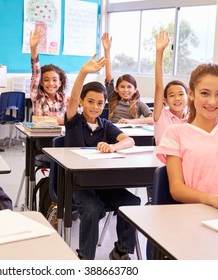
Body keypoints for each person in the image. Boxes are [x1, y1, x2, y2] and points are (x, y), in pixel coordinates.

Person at [156, 0, 218, 214]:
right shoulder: (176, 133)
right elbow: (177, 189)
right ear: (191, 93)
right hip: (193, 218)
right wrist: (213, 199)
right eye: (204, 93)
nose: (212, 102)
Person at [65, 54, 141, 260]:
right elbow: (72, 98)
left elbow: (129, 141)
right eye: (90, 101)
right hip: (77, 185)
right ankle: (85, 257)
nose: (95, 106)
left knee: (132, 202)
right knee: (91, 208)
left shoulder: (105, 125)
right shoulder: (74, 122)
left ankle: (121, 250)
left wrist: (113, 146)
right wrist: (83, 72)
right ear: (81, 102)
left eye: (100, 103)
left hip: (102, 183)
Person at [102, 33, 153, 124]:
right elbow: (109, 76)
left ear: (135, 90)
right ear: (116, 89)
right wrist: (107, 50)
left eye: (129, 87)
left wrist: (133, 121)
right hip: (112, 132)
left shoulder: (139, 104)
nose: (126, 90)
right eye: (122, 87)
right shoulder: (112, 98)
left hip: (129, 133)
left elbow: (153, 119)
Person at [153, 30, 188, 145]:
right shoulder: (161, 115)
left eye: (181, 94)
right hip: (164, 162)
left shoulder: (193, 119)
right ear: (165, 100)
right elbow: (159, 87)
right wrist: (159, 52)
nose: (177, 98)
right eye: (172, 95)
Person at [30, 26, 68, 125]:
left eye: (55, 80)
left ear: (60, 83)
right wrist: (33, 48)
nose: (51, 83)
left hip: (61, 137)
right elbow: (36, 73)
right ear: (41, 83)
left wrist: (59, 121)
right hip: (42, 137)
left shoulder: (65, 99)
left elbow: (73, 121)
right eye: (46, 80)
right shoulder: (37, 96)